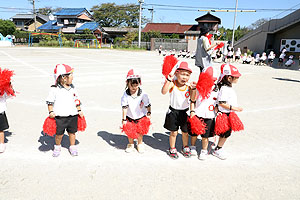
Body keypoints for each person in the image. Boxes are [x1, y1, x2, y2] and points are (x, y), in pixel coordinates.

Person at [46, 64, 84, 157]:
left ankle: (72, 146)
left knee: (72, 132)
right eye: (71, 75)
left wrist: (79, 110)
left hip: (72, 115)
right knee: (59, 134)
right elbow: (50, 102)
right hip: (60, 116)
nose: (73, 77)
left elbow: (76, 99)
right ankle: (57, 146)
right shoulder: (54, 89)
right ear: (63, 77)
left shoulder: (73, 88)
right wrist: (51, 111)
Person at [161, 61, 195, 159]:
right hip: (173, 112)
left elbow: (193, 99)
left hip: (185, 112)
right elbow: (163, 92)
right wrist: (168, 80)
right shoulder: (173, 84)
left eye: (187, 75)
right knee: (174, 132)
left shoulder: (188, 86)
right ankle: (172, 148)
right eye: (183, 74)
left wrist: (193, 89)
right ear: (176, 73)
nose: (185, 77)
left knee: (185, 132)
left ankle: (185, 146)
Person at [189, 66, 219, 160]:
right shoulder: (198, 88)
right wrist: (192, 111)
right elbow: (192, 100)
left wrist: (219, 111)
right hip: (197, 114)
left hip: (209, 116)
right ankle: (193, 147)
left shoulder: (216, 90)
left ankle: (204, 150)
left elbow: (218, 103)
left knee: (205, 136)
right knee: (194, 133)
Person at [213, 64, 243, 160]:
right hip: (225, 114)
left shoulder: (227, 87)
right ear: (229, 78)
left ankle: (219, 148)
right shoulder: (225, 89)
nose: (238, 78)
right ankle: (218, 149)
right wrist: (235, 108)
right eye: (236, 76)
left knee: (226, 133)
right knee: (225, 133)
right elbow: (222, 103)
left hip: (229, 114)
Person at [121, 69, 151, 153]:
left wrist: (149, 112)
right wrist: (123, 119)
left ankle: (140, 143)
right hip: (130, 116)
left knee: (140, 131)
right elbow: (124, 107)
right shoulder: (125, 95)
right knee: (129, 130)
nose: (134, 88)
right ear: (127, 83)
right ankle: (130, 144)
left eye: (136, 85)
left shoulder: (143, 94)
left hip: (141, 116)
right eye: (132, 85)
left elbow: (148, 104)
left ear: (139, 83)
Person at [0, 68, 15, 153]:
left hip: (0, 112)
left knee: (0, 130)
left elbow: (10, 95)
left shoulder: (3, 91)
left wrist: (9, 87)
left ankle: (1, 144)